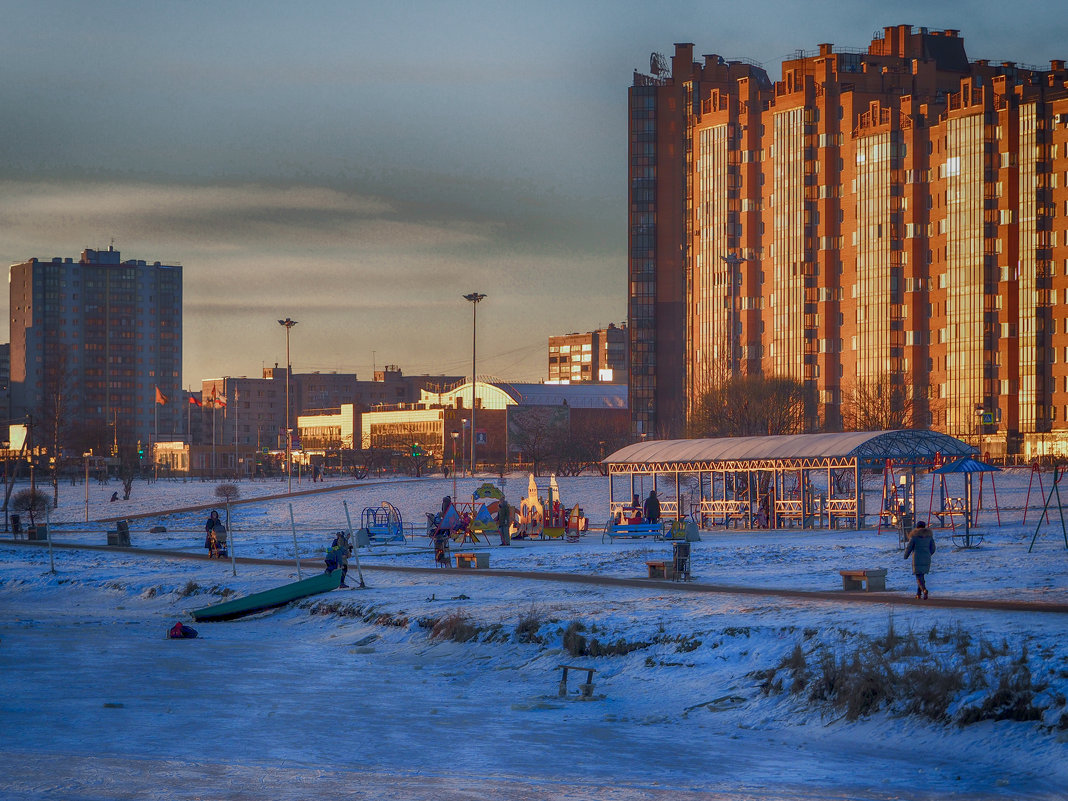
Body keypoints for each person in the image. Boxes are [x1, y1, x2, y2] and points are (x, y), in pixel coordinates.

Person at [903, 520, 936, 599]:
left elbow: (909, 547)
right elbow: (933, 548)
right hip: (926, 557)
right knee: (922, 575)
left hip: (917, 557)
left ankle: (924, 590)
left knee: (918, 575)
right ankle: (918, 594)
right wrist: (928, 554)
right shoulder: (929, 537)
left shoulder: (914, 536)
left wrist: (905, 556)